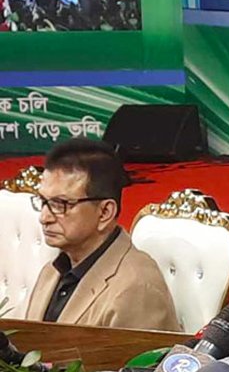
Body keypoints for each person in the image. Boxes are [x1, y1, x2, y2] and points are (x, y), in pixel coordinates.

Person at [25, 138, 181, 332]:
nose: (44, 217)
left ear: (105, 212)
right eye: (43, 201)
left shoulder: (136, 288)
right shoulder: (52, 270)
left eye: (60, 204)